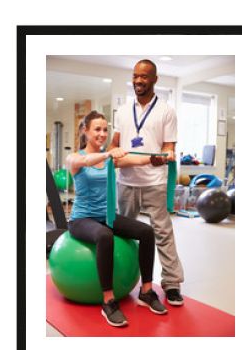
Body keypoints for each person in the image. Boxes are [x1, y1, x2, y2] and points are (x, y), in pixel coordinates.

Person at [66, 110, 168, 328]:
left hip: (107, 216)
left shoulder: (110, 160)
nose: (102, 134)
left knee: (146, 231)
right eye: (97, 129)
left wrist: (156, 158)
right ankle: (109, 301)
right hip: (81, 219)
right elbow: (85, 160)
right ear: (85, 131)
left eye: (105, 129)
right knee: (105, 236)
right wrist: (108, 154)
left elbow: (135, 159)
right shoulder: (74, 158)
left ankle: (147, 292)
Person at [109, 59, 184, 306]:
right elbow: (115, 145)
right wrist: (112, 154)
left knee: (163, 233)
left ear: (154, 79)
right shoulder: (122, 111)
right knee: (122, 233)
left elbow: (168, 146)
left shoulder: (166, 110)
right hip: (126, 182)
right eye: (135, 76)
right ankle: (121, 279)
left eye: (144, 76)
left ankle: (172, 284)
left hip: (154, 182)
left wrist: (166, 156)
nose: (138, 81)